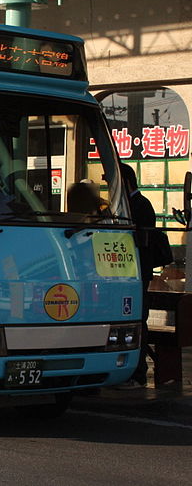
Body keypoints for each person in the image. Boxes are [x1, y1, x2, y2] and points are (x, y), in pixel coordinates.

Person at [116, 163, 155, 388]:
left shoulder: (140, 205)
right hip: (123, 271)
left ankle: (138, 372)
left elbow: (142, 242)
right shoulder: (126, 204)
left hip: (137, 271)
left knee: (138, 319)